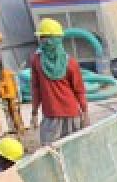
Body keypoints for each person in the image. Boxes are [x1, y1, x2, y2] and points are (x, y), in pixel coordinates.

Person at [29, 18, 89, 146]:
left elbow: (79, 90)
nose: (42, 41)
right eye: (41, 38)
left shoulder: (69, 63)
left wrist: (85, 112)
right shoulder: (37, 61)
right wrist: (34, 113)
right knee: (62, 151)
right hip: (56, 116)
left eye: (44, 37)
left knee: (67, 150)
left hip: (67, 116)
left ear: (53, 40)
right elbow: (35, 88)